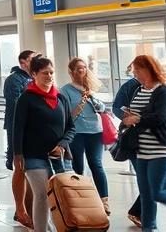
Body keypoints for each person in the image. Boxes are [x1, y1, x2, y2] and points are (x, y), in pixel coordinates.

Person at [12, 56, 76, 232]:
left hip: (59, 156)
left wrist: (62, 145)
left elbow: (71, 128)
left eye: (51, 72)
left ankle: (53, 227)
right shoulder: (26, 98)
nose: (49, 76)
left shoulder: (61, 98)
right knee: (42, 195)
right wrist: (18, 156)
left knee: (59, 195)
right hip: (33, 156)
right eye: (45, 73)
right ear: (34, 74)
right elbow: (17, 129)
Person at [120, 55, 166, 232]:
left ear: (147, 69)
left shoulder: (163, 90)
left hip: (160, 149)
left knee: (157, 192)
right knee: (146, 195)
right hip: (141, 150)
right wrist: (128, 116)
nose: (134, 74)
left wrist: (138, 118)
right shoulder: (139, 90)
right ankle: (148, 228)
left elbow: (161, 116)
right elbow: (135, 113)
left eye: (137, 70)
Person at [60, 57, 110, 214]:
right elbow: (68, 115)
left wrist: (93, 100)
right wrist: (81, 103)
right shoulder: (65, 90)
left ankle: (104, 201)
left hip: (95, 131)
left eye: (84, 67)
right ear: (71, 71)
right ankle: (81, 201)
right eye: (78, 68)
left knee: (96, 164)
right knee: (78, 167)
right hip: (77, 133)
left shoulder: (90, 87)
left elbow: (102, 108)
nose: (82, 70)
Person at [2, 49, 36, 228]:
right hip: (18, 129)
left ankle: (26, 209)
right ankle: (21, 209)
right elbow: (15, 107)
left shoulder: (33, 77)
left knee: (30, 169)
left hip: (31, 130)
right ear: (23, 62)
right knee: (20, 168)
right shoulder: (14, 80)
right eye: (31, 59)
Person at [113, 64, 143, 227]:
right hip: (134, 140)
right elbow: (116, 107)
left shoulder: (160, 87)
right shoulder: (130, 86)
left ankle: (139, 211)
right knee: (146, 179)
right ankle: (141, 213)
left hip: (155, 140)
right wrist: (126, 114)